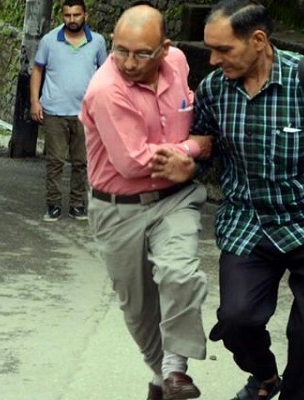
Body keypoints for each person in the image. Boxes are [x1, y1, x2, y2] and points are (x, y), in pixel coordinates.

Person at [183, 1, 304, 399]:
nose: (213, 60)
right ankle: (265, 377)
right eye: (210, 49)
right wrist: (186, 162)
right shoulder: (214, 89)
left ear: (258, 40)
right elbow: (202, 148)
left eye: (223, 49)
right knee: (237, 320)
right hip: (248, 222)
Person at [79, 4, 212, 400]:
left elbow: (187, 110)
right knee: (138, 309)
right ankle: (161, 376)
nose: (128, 62)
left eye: (141, 53)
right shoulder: (106, 90)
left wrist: (185, 157)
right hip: (118, 208)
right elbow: (132, 161)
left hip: (174, 199)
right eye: (120, 50)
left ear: (164, 49)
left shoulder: (178, 62)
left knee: (181, 274)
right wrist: (191, 149)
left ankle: (175, 369)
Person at [30, 0, 107, 222]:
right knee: (54, 161)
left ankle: (77, 204)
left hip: (86, 112)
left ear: (85, 15)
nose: (71, 20)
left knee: (81, 162)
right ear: (62, 16)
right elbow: (37, 70)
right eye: (67, 15)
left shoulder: (98, 42)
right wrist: (35, 102)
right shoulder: (49, 40)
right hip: (54, 110)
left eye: (76, 15)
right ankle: (53, 204)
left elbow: (105, 74)